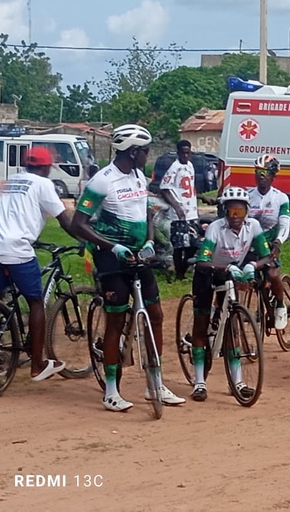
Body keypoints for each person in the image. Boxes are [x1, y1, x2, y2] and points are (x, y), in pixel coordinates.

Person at [72, 124, 185, 412]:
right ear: (133, 152)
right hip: (111, 258)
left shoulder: (138, 177)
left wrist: (149, 240)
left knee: (156, 314)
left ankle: (155, 383)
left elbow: (146, 211)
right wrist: (113, 247)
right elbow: (79, 224)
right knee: (116, 320)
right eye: (145, 151)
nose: (148, 155)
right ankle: (111, 390)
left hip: (139, 254)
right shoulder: (102, 181)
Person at [0, 147, 76, 381]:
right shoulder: (43, 184)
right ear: (45, 167)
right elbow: (64, 220)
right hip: (16, 248)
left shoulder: (13, 180)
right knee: (36, 301)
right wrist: (85, 239)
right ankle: (38, 364)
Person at [189, 186, 273, 401]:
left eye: (240, 212)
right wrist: (222, 269)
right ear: (224, 211)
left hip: (233, 274)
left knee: (232, 327)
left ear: (247, 211)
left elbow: (267, 256)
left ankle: (237, 382)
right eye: (231, 212)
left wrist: (254, 264)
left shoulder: (253, 226)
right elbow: (202, 260)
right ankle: (199, 382)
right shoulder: (215, 228)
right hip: (209, 274)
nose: (235, 217)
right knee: (201, 323)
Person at [247, 154, 290, 330]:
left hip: (271, 242)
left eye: (265, 173)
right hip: (250, 242)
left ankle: (280, 305)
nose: (261, 177)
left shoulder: (281, 198)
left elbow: (285, 223)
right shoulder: (248, 195)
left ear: (273, 176)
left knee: (272, 275)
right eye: (258, 172)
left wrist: (279, 242)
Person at [159, 140, 199, 281]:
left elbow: (189, 187)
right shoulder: (174, 167)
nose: (186, 156)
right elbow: (164, 189)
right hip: (179, 214)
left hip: (192, 212)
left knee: (193, 245)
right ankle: (179, 274)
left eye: (188, 153)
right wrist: (177, 207)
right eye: (183, 153)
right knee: (179, 246)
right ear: (178, 153)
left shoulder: (190, 166)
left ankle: (183, 269)